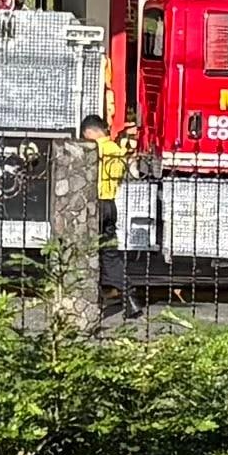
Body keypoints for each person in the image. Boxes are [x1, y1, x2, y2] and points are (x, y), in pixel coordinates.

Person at [82, 112, 143, 319]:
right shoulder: (116, 150)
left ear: (90, 132)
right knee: (109, 254)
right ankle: (130, 299)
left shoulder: (94, 150)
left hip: (96, 205)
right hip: (110, 204)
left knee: (88, 254)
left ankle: (94, 300)